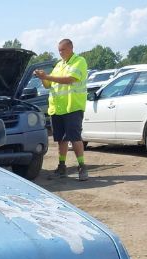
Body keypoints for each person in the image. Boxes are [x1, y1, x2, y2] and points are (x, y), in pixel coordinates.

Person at [34, 39, 89, 181]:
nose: (60, 52)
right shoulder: (59, 65)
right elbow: (48, 85)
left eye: (63, 50)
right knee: (61, 140)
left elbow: (70, 79)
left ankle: (82, 166)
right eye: (59, 50)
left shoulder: (79, 61)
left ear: (71, 48)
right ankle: (62, 166)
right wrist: (42, 78)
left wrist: (47, 76)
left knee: (75, 137)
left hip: (73, 107)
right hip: (58, 109)